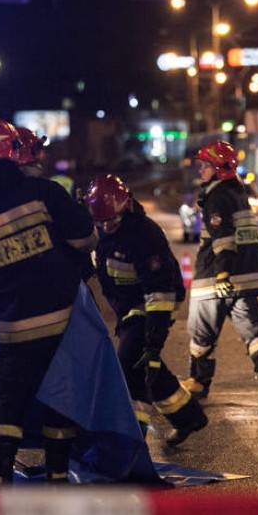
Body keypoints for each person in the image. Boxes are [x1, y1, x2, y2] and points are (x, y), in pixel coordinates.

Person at [0, 116, 98, 486]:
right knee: (59, 399)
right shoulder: (46, 193)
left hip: (14, 327)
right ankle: (58, 475)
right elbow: (84, 240)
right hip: (63, 321)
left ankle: (1, 474)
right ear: (12, 153)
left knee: (10, 404)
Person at [84, 174, 208, 446]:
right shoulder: (103, 228)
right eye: (101, 222)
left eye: (112, 220)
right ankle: (188, 417)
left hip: (155, 303)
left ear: (126, 206)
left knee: (130, 365)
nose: (108, 227)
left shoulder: (143, 235)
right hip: (128, 307)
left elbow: (159, 292)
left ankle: (132, 439)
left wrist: (154, 339)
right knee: (147, 365)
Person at [181, 140, 258, 406]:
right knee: (254, 331)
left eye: (205, 166)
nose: (200, 171)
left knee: (201, 334)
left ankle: (199, 382)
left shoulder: (217, 197)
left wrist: (222, 273)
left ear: (218, 169)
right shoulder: (238, 194)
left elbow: (224, 238)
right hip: (244, 280)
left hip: (215, 278)